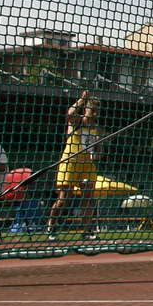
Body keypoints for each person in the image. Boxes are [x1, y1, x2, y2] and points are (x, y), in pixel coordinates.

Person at [47, 91, 100, 239]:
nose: (95, 114)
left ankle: (87, 231)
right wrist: (82, 100)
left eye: (97, 111)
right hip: (71, 162)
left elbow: (98, 149)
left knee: (88, 198)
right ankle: (51, 225)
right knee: (64, 197)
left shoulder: (97, 128)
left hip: (87, 165)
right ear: (86, 109)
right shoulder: (77, 121)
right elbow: (70, 114)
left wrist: (96, 154)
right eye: (92, 110)